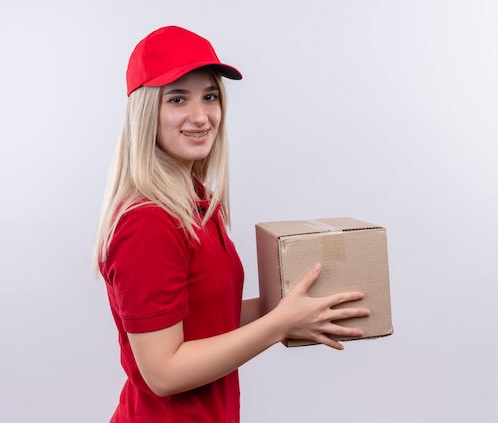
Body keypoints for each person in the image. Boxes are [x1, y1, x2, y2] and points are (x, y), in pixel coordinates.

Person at [93, 25, 371, 423]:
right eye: (177, 99)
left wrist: (295, 308)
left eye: (209, 96)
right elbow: (163, 373)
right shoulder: (148, 222)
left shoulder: (195, 202)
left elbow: (206, 319)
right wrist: (279, 325)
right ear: (145, 113)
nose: (200, 116)